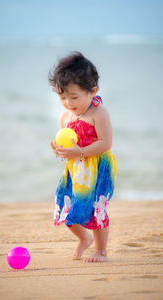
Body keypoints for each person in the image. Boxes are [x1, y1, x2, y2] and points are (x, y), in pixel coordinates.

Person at [49, 52, 117, 262]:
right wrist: (60, 151)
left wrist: (79, 152)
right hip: (75, 169)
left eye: (74, 97)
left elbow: (105, 143)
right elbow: (67, 146)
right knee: (67, 207)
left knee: (96, 208)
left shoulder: (99, 113)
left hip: (97, 169)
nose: (68, 102)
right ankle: (83, 239)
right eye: (62, 97)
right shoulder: (65, 117)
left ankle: (101, 250)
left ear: (92, 91)